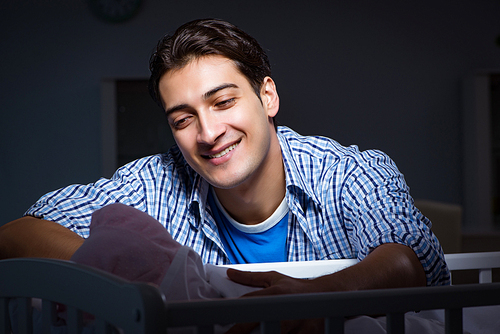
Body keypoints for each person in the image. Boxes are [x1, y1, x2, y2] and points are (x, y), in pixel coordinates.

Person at [0, 18, 449, 332]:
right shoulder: (154, 184)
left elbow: (411, 261)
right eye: (183, 119)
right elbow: (19, 233)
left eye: (223, 102)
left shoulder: (348, 173)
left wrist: (317, 298)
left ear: (267, 96)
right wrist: (133, 278)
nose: (209, 132)